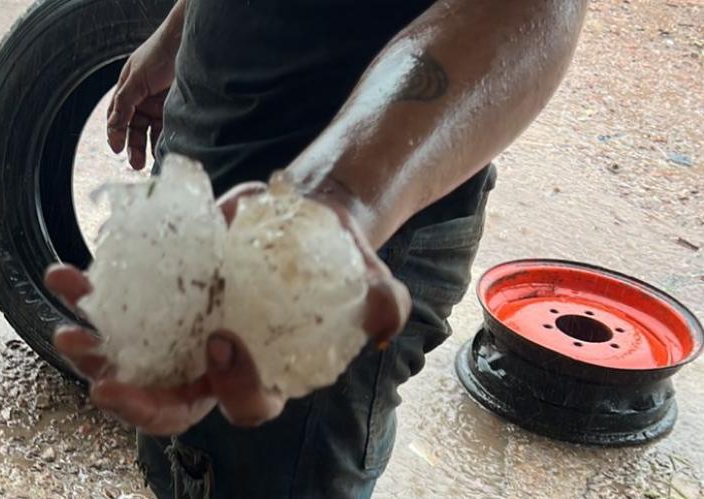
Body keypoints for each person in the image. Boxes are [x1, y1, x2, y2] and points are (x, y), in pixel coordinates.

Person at [44, 0, 587, 497]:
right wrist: (180, 32)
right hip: (211, 167)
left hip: (325, 246)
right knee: (181, 457)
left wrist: (331, 202)